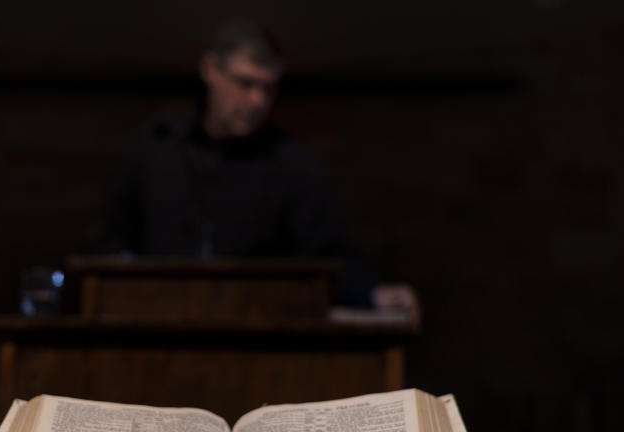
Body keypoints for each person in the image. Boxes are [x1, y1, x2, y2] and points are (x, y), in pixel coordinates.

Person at [103, 19, 417, 313]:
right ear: (211, 68)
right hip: (161, 325)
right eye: (245, 83)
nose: (257, 100)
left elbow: (329, 255)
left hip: (256, 331)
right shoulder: (159, 150)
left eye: (267, 88)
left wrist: (371, 293)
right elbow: (113, 246)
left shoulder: (288, 162)